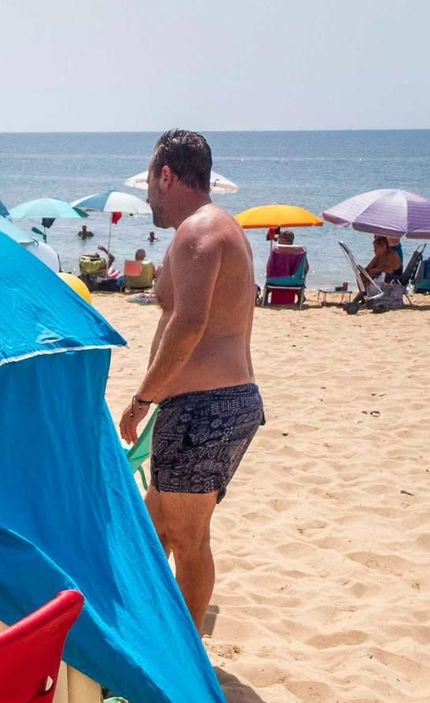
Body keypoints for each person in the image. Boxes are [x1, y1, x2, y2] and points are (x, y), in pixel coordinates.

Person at [118, 129, 264, 631]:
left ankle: (186, 664)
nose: (148, 197)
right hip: (216, 404)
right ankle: (155, 636)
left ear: (167, 174)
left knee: (186, 538)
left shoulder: (198, 233)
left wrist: (142, 400)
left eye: (151, 183)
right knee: (152, 527)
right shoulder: (221, 228)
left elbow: (189, 324)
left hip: (205, 408)